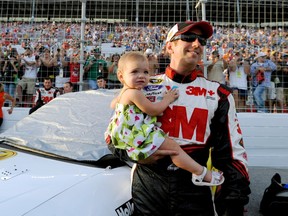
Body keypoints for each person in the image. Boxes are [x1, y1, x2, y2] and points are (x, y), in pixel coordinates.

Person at [108, 21, 251, 216]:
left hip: (194, 190)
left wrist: (235, 199)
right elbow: (113, 137)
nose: (196, 44)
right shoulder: (141, 86)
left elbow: (232, 154)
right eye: (189, 38)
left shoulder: (218, 94)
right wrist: (136, 156)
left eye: (201, 40)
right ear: (169, 46)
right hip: (149, 184)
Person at [105, 51, 224, 188]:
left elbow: (113, 105)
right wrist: (168, 98)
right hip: (137, 134)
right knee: (174, 149)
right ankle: (200, 173)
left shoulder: (125, 92)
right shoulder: (134, 93)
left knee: (171, 150)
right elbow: (154, 110)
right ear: (120, 76)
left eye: (145, 72)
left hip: (127, 134)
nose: (141, 76)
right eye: (134, 72)